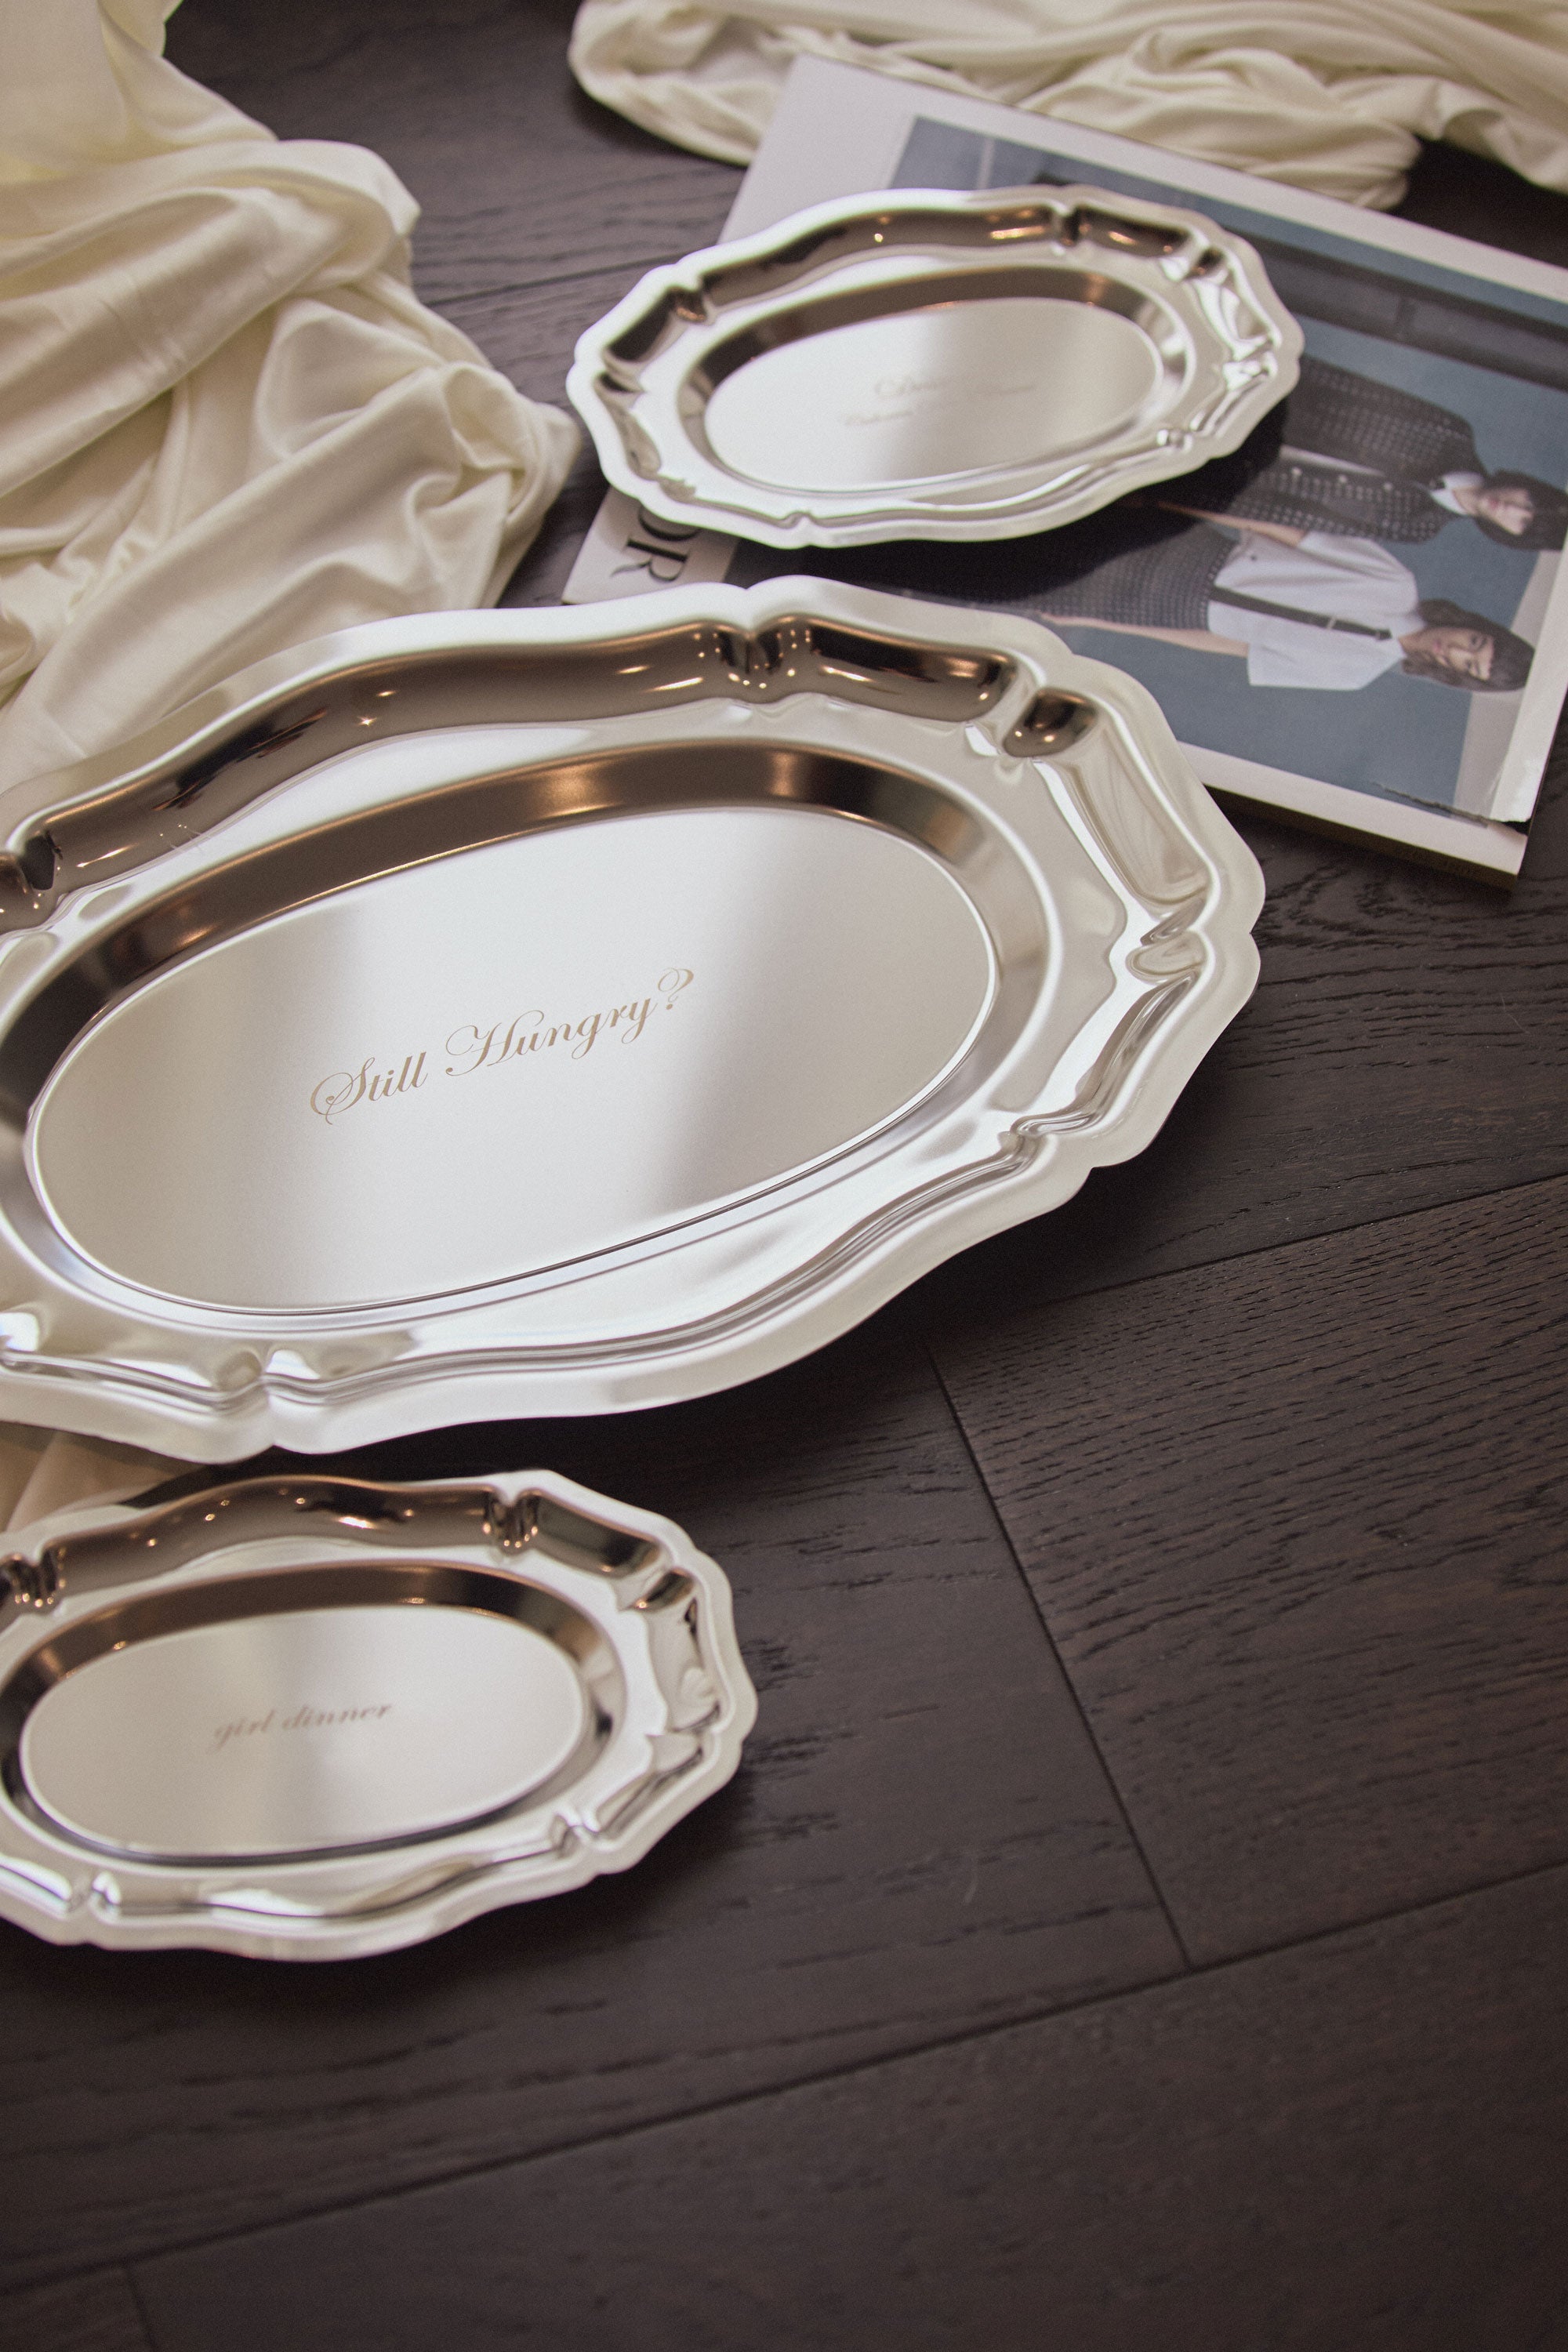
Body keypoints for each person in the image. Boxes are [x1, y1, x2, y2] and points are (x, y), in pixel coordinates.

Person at [1032, 510, 1534, 694]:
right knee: (1060, 522)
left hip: (1176, 610)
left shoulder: (1351, 674)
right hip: (1196, 553)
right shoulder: (1395, 583)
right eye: (1473, 642)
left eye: (1469, 666)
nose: (1454, 651)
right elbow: (1289, 535)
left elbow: (1227, 646)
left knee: (1039, 578)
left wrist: (1095, 619)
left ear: (1459, 677)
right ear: (1472, 624)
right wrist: (1185, 506)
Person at [1175, 355, 1568, 549]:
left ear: (1511, 537)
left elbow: (1299, 513)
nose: (1513, 509)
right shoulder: (1451, 436)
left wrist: (1199, 494)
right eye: (1528, 501)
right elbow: (1347, 386)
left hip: (1232, 469)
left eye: (1524, 522)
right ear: (1523, 483)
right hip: (1259, 405)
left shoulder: (1418, 527)